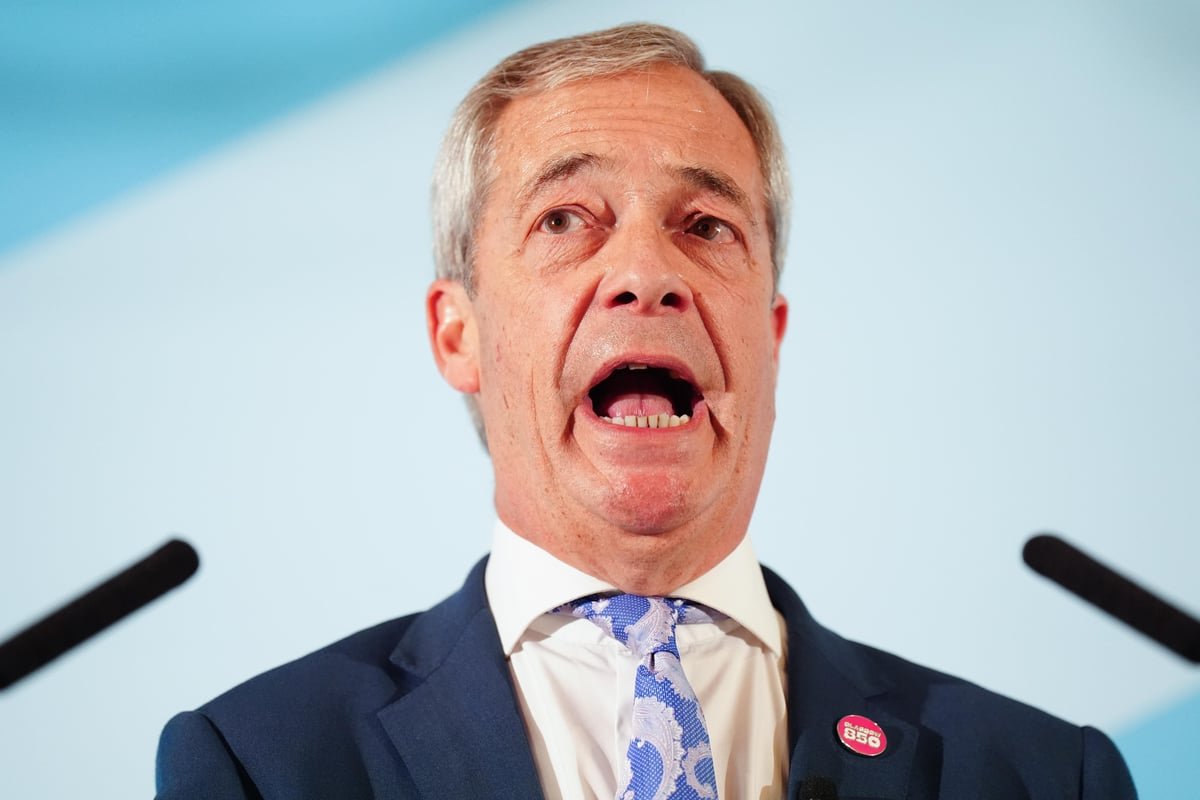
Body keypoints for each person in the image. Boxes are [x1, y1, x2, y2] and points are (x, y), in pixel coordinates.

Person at [155, 23, 1137, 799]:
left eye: (705, 225)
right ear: (458, 333)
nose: (645, 273)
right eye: (565, 220)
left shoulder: (1043, 774)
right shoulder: (265, 764)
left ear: (772, 333)